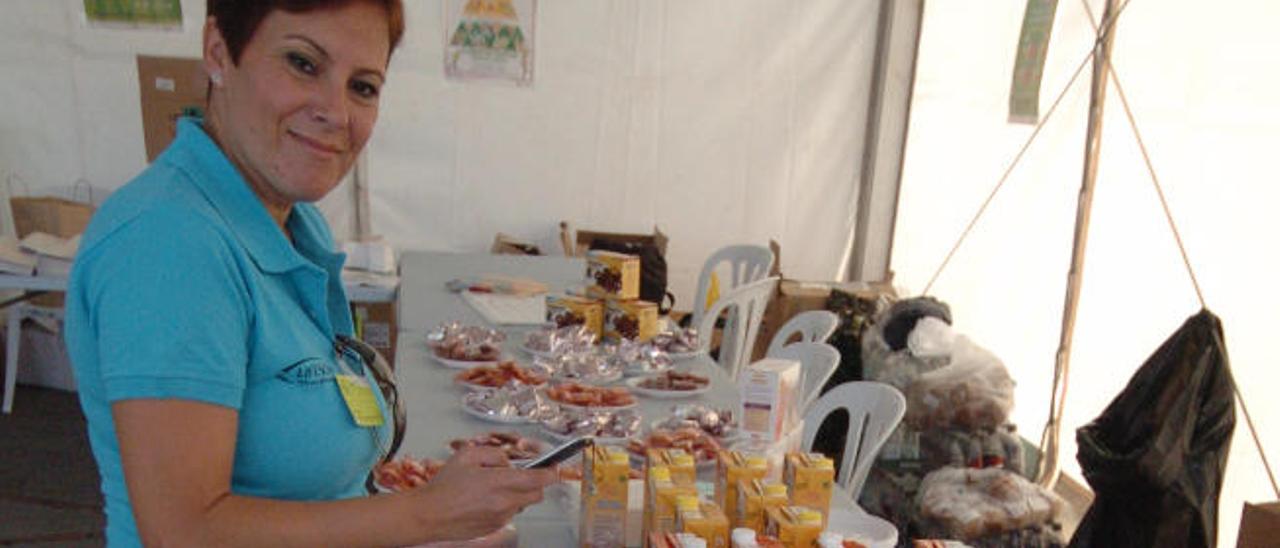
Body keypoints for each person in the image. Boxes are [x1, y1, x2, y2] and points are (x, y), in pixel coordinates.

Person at [64, 1, 557, 546]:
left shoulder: (295, 223)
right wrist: (424, 515)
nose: (336, 112)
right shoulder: (168, 244)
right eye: (302, 63)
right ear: (218, 52)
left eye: (363, 87)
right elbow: (185, 531)